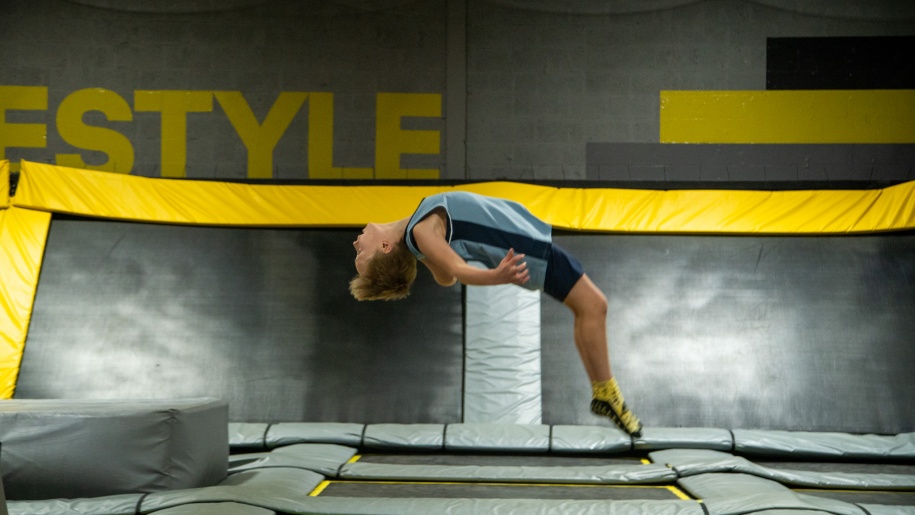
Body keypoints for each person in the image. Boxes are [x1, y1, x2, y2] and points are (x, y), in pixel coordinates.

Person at [349, 191, 642, 436]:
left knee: (587, 307)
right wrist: (497, 275)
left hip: (527, 248)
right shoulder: (420, 232)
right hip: (527, 254)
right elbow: (457, 271)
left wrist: (436, 255)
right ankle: (606, 391)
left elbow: (446, 277)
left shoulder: (419, 236)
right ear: (385, 247)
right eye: (361, 255)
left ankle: (604, 391)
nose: (355, 245)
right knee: (594, 305)